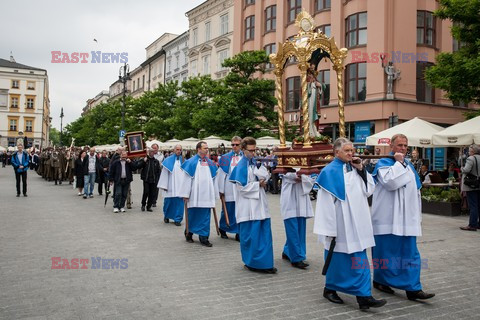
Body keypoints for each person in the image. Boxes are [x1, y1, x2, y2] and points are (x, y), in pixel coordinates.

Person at [314, 138, 386, 310]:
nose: (350, 153)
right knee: (338, 258)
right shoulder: (329, 172)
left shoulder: (355, 167)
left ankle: (363, 296)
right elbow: (324, 204)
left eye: (352, 150)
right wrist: (329, 230)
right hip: (341, 223)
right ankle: (331, 288)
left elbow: (369, 189)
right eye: (346, 151)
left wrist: (361, 169)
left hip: (359, 221)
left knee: (359, 257)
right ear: (336, 152)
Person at [371, 134, 435, 301]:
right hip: (387, 218)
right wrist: (398, 163)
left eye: (405, 145)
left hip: (407, 219)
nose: (403, 148)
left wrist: (416, 216)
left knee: (410, 254)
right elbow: (390, 183)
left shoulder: (409, 166)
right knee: (385, 253)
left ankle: (413, 288)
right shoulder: (383, 163)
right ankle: (380, 280)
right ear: (391, 146)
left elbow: (416, 190)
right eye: (399, 145)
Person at [229, 137, 276, 274]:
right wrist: (258, 184)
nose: (253, 153)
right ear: (243, 150)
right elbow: (241, 188)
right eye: (250, 150)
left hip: (260, 204)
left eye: (255, 150)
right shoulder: (240, 166)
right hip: (247, 207)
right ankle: (251, 262)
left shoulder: (256, 163)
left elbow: (266, 175)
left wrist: (264, 178)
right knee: (251, 236)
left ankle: (266, 263)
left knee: (264, 234)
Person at [178, 141, 218, 247]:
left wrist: (214, 193)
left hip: (206, 196)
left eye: (207, 148)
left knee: (205, 216)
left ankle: (204, 237)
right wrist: (185, 194)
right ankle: (189, 233)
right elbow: (186, 179)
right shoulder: (191, 162)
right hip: (194, 195)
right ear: (198, 149)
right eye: (204, 148)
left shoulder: (210, 163)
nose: (206, 150)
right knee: (193, 214)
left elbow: (214, 179)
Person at [280, 170, 314, 269]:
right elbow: (285, 174)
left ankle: (287, 250)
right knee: (292, 229)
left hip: (301, 198)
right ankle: (297, 258)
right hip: (289, 199)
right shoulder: (285, 161)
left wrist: (303, 178)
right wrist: (297, 176)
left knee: (300, 228)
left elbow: (310, 177)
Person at [217, 136, 243, 241]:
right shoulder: (225, 158)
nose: (235, 146)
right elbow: (221, 174)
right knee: (227, 209)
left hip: (240, 188)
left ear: (241, 145)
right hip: (228, 187)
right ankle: (223, 227)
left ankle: (238, 231)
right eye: (233, 144)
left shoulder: (244, 157)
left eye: (237, 144)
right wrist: (220, 190)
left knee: (240, 210)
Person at [157, 144, 185, 226]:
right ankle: (167, 215)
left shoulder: (184, 161)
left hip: (180, 186)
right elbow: (164, 174)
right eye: (177, 149)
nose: (179, 151)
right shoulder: (168, 160)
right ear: (174, 150)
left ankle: (178, 219)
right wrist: (164, 185)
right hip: (170, 185)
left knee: (180, 203)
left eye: (180, 149)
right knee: (169, 202)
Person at [460, 144, 480, 231]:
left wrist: (462, 169)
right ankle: (478, 224)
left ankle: (472, 225)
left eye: (469, 150)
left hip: (471, 184)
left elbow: (466, 170)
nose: (468, 152)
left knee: (473, 205)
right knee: (478, 204)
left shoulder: (470, 158)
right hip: (479, 183)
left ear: (472, 151)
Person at [151, 143, 164, 208]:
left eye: (155, 148)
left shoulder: (161, 155)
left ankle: (154, 201)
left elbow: (159, 162)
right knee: (149, 188)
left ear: (158, 148)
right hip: (150, 172)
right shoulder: (149, 154)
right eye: (153, 148)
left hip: (157, 173)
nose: (154, 149)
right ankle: (150, 201)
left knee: (156, 188)